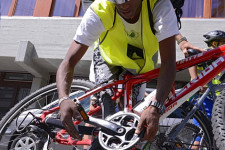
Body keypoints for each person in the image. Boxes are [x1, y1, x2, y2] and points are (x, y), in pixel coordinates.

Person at [56, 0, 183, 146]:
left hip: (137, 67)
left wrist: (156, 107)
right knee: (107, 110)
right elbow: (68, 61)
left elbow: (168, 63)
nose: (123, 4)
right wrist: (63, 98)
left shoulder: (159, 6)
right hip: (108, 60)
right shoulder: (100, 9)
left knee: (130, 123)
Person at [186, 30, 225, 149]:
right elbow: (191, 59)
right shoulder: (207, 54)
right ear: (214, 43)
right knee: (201, 134)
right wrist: (195, 80)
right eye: (222, 42)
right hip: (204, 98)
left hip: (218, 98)